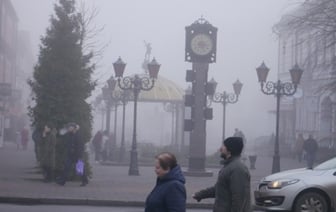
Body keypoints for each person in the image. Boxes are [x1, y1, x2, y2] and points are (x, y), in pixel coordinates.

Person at [192, 137, 251, 212]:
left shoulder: (237, 169)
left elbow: (239, 199)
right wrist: (200, 194)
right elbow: (220, 188)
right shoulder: (229, 166)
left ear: (230, 149)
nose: (220, 149)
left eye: (223, 146)